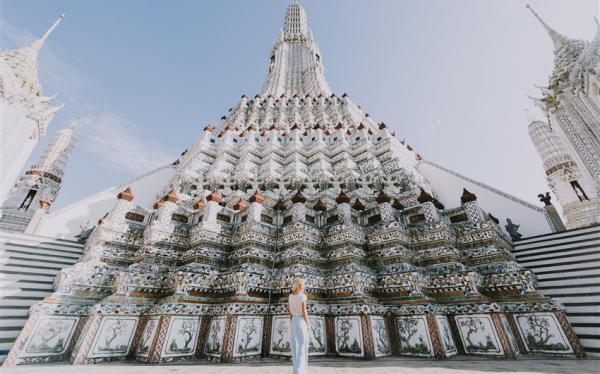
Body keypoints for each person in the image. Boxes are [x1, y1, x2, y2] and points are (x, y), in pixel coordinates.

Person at [288, 278, 309, 374]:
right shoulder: (302, 296)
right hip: (301, 321)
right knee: (301, 346)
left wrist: (291, 321)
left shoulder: (290, 296)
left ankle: (296, 371)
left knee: (295, 346)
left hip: (293, 321)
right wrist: (308, 323)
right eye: (303, 285)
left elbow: (290, 312)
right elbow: (304, 311)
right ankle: (300, 371)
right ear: (301, 286)